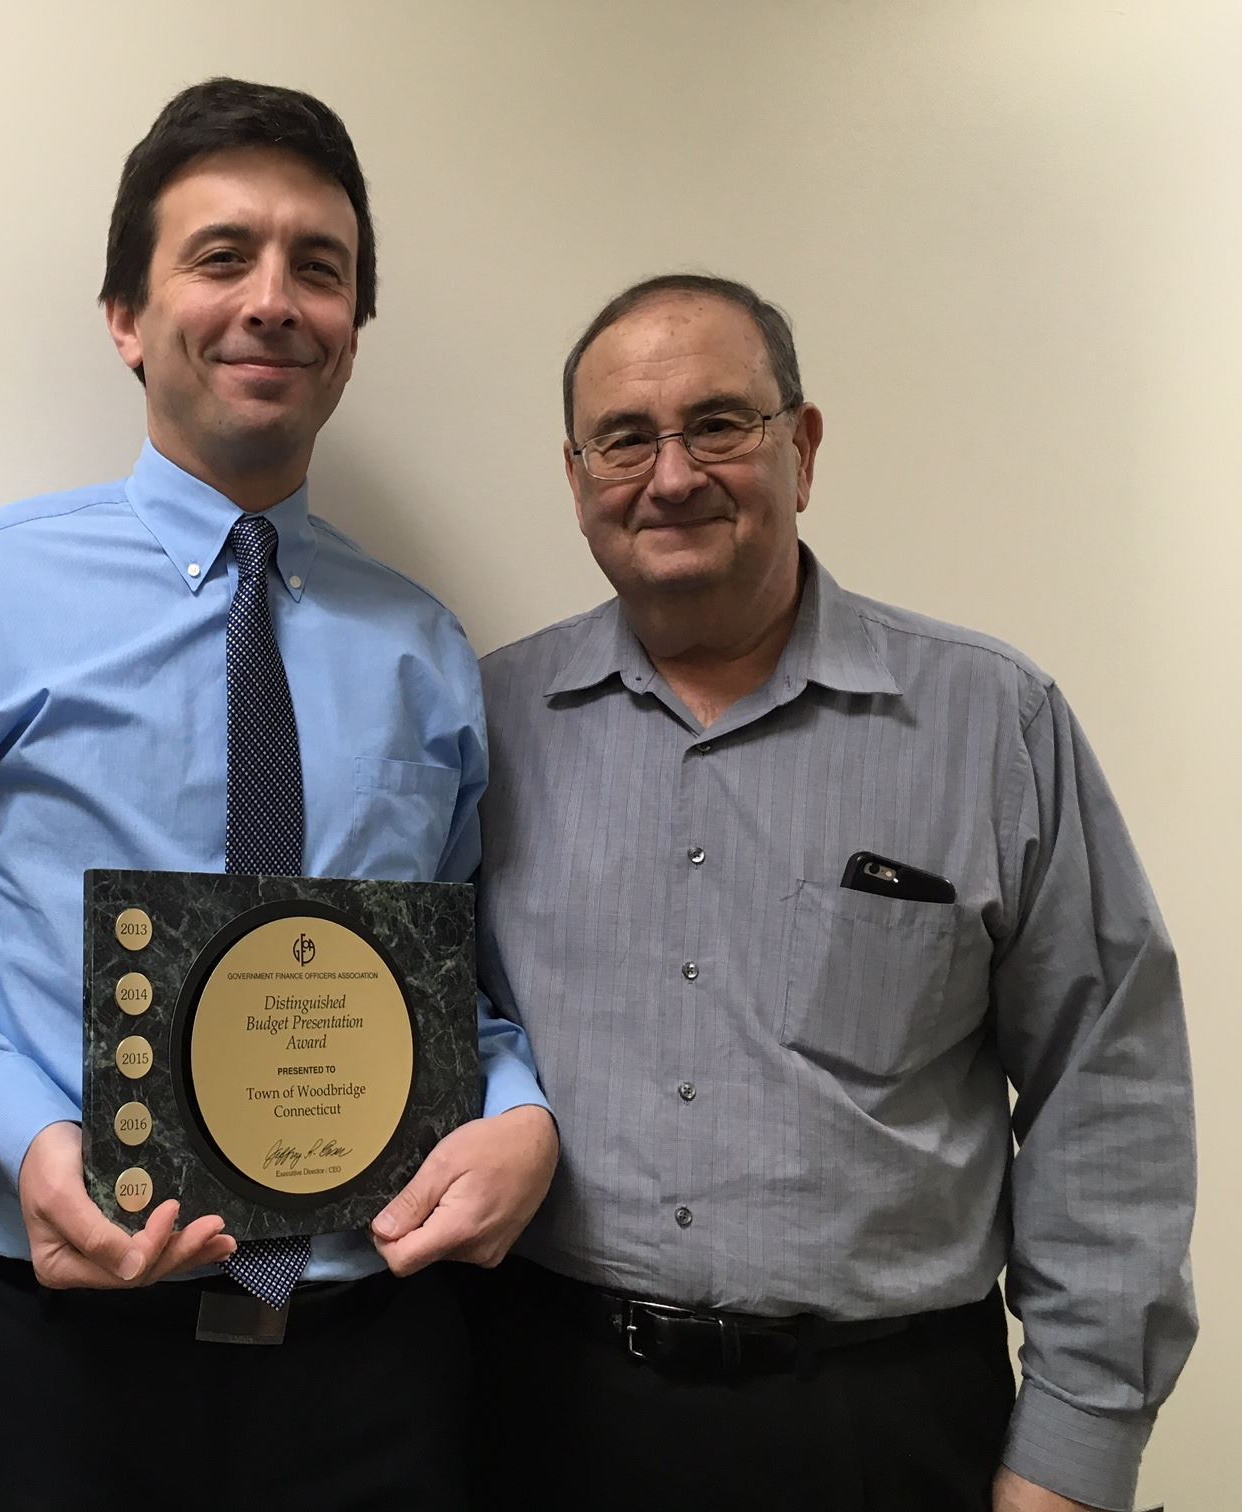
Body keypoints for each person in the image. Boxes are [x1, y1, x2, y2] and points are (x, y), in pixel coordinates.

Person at [0, 77, 557, 1511]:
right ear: (128, 319)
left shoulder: (427, 651)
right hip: (50, 1354)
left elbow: (459, 987)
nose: (273, 299)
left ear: (350, 338)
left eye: (318, 268)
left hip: (371, 1359)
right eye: (222, 256)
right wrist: (27, 1131)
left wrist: (522, 1112)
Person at [471, 273, 1196, 1512]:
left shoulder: (992, 722)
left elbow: (1108, 1082)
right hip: (542, 1409)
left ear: (801, 448)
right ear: (578, 474)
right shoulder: (485, 728)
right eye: (625, 439)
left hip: (886, 1428)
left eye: (718, 424)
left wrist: (1074, 1453)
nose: (673, 474)